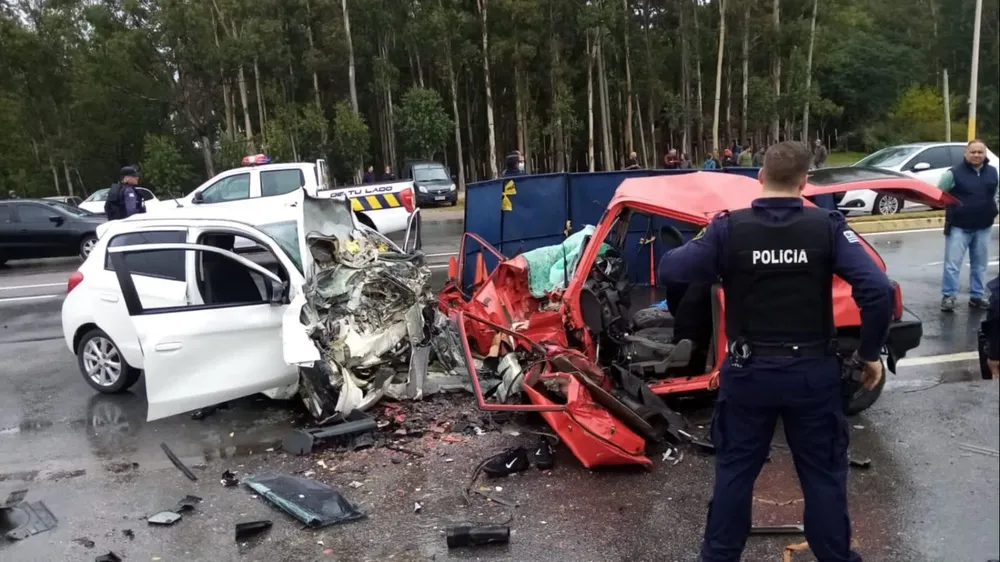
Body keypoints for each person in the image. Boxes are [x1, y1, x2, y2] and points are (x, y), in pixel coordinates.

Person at [658, 141, 892, 562]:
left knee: (736, 472)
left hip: (749, 373)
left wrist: (711, 247)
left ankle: (719, 557)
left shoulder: (729, 228)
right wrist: (870, 353)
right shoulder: (827, 227)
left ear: (760, 177)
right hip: (812, 374)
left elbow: (672, 268)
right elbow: (875, 289)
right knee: (822, 476)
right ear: (804, 183)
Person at [938, 140, 999, 312]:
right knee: (952, 264)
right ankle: (948, 296)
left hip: (984, 226)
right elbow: (940, 195)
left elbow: (997, 194)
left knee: (980, 264)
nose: (976, 155)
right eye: (973, 152)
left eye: (980, 152)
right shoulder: (953, 173)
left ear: (985, 154)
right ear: (966, 153)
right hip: (959, 226)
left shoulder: (993, 172)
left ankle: (977, 296)